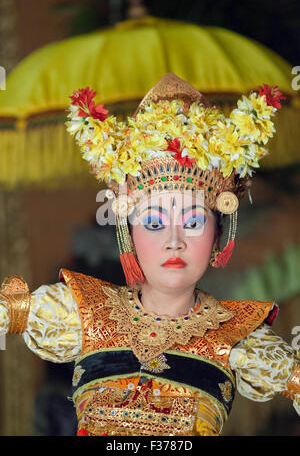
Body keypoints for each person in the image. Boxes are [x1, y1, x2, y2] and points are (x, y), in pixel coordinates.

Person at [0, 73, 299, 436]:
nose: (174, 241)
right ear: (129, 232)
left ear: (218, 233)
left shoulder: (240, 337)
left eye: (192, 222)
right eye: (155, 223)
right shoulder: (80, 312)